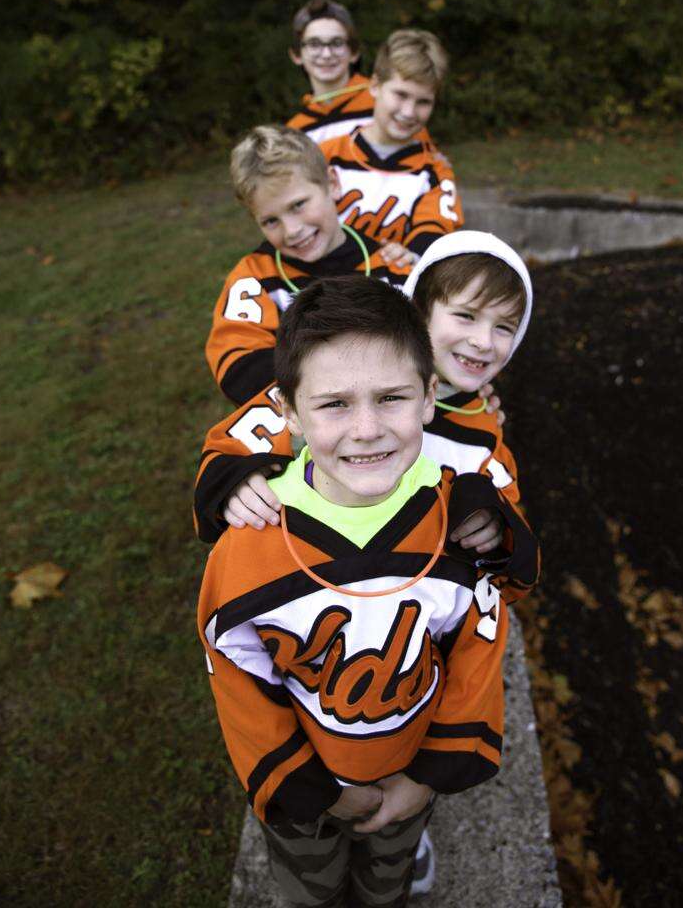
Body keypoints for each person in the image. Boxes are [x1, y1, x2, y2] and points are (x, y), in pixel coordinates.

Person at [197, 276, 540, 907]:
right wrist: (311, 787)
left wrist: (425, 777)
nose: (366, 429)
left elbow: (479, 647)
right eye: (333, 405)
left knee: (388, 885)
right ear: (289, 412)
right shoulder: (248, 548)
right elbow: (237, 677)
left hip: (408, 770)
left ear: (431, 396)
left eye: (392, 398)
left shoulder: (460, 530)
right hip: (308, 785)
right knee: (311, 892)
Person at [195, 230, 531, 545]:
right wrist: (233, 484)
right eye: (466, 316)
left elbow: (513, 522)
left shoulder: (485, 427)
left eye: (504, 327)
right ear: (420, 310)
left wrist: (497, 528)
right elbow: (229, 448)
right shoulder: (338, 382)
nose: (483, 341)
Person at [206, 124, 414, 406]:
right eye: (270, 220)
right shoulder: (254, 278)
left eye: (298, 205)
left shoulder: (390, 265)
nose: (291, 230)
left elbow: (437, 347)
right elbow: (239, 368)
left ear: (333, 184)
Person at [319, 28, 464, 255]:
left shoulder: (435, 171)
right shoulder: (326, 155)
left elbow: (434, 235)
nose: (408, 112)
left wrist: (412, 256)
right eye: (401, 95)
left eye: (423, 102)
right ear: (375, 86)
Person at [286, 0, 376, 144]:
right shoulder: (296, 133)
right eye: (314, 44)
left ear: (354, 52)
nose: (326, 54)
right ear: (296, 55)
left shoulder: (382, 103)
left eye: (337, 43)